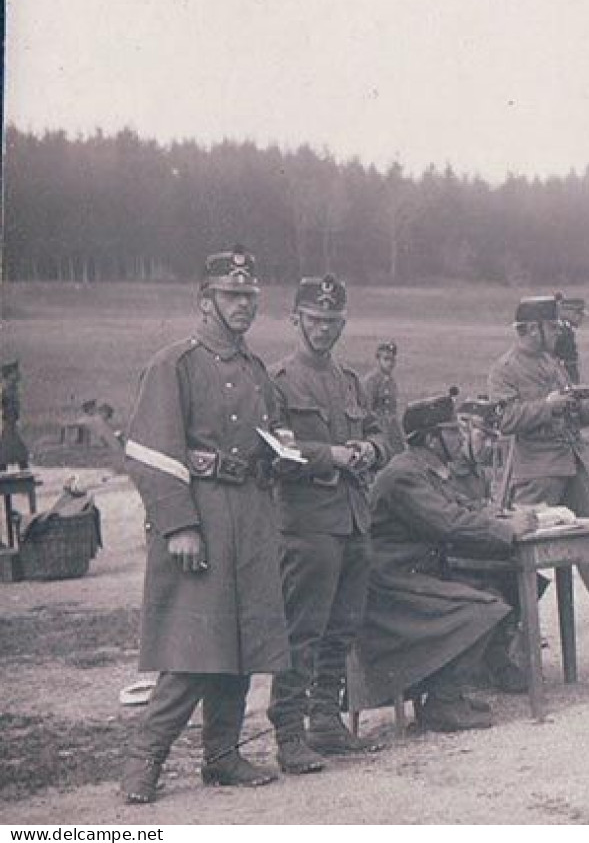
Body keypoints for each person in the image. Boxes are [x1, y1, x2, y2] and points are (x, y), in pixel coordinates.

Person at [117, 247, 336, 804]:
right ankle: (144, 761)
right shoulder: (176, 363)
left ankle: (221, 756)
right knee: (192, 648)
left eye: (250, 296)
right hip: (203, 512)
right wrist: (179, 526)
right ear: (205, 300)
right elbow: (150, 452)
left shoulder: (256, 369)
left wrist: (279, 451)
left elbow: (270, 437)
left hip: (252, 513)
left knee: (244, 641)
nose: (243, 305)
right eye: (231, 295)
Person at [352, 393, 538, 732]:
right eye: (452, 432)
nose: (459, 437)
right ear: (431, 439)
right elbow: (447, 522)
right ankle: (443, 701)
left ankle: (450, 689)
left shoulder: (425, 470)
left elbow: (460, 506)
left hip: (412, 577)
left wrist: (498, 516)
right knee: (483, 606)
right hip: (391, 585)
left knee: (501, 585)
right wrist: (506, 529)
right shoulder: (404, 475)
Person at [266, 275, 392, 772]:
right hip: (307, 524)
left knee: (342, 627)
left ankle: (325, 722)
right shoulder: (278, 381)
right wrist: (331, 455)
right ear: (296, 318)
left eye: (332, 322)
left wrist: (369, 448)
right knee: (303, 629)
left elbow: (384, 435)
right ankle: (289, 734)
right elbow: (274, 451)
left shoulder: (350, 382)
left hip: (354, 521)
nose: (323, 329)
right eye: (314, 320)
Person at [487, 295, 589, 631]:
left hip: (570, 464)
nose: (558, 333)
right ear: (531, 329)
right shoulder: (505, 369)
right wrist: (547, 405)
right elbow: (504, 420)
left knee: (588, 539)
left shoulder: (551, 363)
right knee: (524, 549)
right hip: (536, 470)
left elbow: (573, 416)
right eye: (551, 327)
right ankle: (510, 626)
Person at [360, 341, 406, 456]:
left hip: (392, 429)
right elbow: (366, 409)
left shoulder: (391, 380)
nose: (390, 363)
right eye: (386, 359)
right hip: (379, 429)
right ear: (378, 360)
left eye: (392, 360)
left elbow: (393, 409)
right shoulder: (371, 381)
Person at [1, 359, 30, 471]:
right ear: (9, 375)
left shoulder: (13, 389)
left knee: (11, 449)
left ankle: (20, 470)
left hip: (11, 424)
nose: (18, 374)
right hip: (6, 424)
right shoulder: (5, 390)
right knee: (10, 449)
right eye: (15, 372)